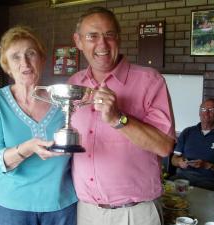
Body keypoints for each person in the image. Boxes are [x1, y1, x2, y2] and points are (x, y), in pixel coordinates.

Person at [68, 7, 175, 225]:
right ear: (78, 41)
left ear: (119, 38)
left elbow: (164, 146)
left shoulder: (150, 81)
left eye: (109, 35)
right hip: (87, 212)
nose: (102, 44)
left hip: (135, 214)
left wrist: (119, 119)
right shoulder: (73, 84)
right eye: (92, 36)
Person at [0, 26, 77, 225]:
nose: (24, 62)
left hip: (61, 205)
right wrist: (27, 148)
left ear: (42, 60)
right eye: (15, 57)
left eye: (31, 54)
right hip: (12, 207)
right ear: (7, 65)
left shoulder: (63, 99)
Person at [171, 98, 214, 191]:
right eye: (203, 109)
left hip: (208, 181)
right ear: (199, 113)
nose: (206, 113)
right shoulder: (187, 132)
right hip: (182, 177)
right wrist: (179, 162)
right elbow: (173, 159)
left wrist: (208, 165)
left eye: (211, 110)